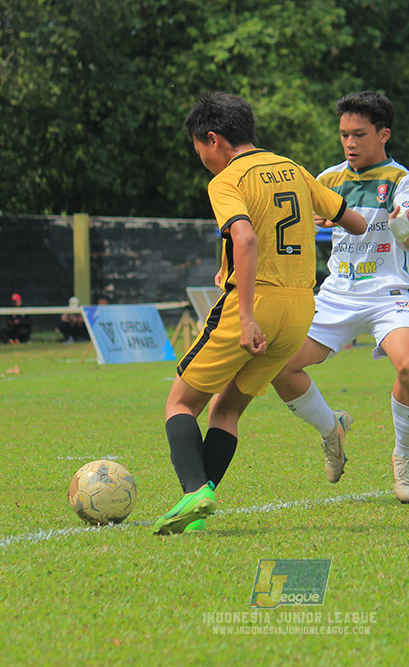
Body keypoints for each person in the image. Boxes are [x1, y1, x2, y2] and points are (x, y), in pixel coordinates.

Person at [151, 91, 367, 535]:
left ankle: (195, 489)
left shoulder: (227, 180)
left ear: (214, 139)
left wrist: (246, 316)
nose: (202, 160)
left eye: (199, 151)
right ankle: (196, 513)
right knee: (225, 411)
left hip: (256, 306)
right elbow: (356, 222)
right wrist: (324, 221)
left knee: (180, 402)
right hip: (300, 308)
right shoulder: (294, 169)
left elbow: (246, 239)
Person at [271, 90, 409, 504]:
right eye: (344, 135)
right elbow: (297, 229)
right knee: (279, 367)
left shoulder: (403, 182)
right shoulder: (326, 180)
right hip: (336, 294)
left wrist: (401, 230)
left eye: (359, 134)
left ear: (384, 134)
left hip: (387, 294)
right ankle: (331, 429)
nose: (350, 144)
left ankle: (404, 457)